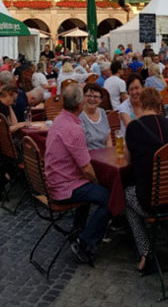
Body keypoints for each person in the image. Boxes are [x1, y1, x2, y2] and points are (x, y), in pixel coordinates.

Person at [44, 83, 111, 264]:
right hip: (65, 187)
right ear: (80, 104)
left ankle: (78, 229)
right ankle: (84, 242)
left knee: (92, 189)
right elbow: (87, 169)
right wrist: (99, 183)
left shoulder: (59, 120)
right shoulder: (74, 129)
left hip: (54, 180)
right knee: (110, 198)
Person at [122, 87, 168, 273]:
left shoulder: (134, 127)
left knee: (127, 197)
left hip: (150, 201)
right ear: (159, 103)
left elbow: (128, 161)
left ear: (141, 103)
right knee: (165, 190)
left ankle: (146, 252)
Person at [80, 83, 113, 151]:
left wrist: (109, 154)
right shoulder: (79, 115)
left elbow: (108, 138)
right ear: (83, 97)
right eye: (89, 96)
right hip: (87, 157)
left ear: (100, 100)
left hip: (104, 156)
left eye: (95, 97)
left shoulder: (102, 112)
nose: (92, 99)